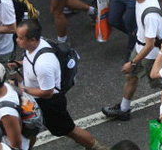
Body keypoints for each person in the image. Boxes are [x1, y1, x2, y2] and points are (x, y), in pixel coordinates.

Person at [16, 19, 106, 150]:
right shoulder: (36, 46)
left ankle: (96, 147)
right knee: (29, 130)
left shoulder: (43, 64)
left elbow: (47, 92)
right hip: (36, 99)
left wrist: (23, 89)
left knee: (69, 130)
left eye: (20, 38)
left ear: (33, 39)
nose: (17, 40)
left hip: (49, 103)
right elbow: (30, 61)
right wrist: (18, 64)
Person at [102, 0, 162, 121]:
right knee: (131, 77)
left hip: (150, 55)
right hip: (139, 46)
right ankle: (124, 109)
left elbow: (150, 45)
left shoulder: (150, 16)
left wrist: (133, 62)